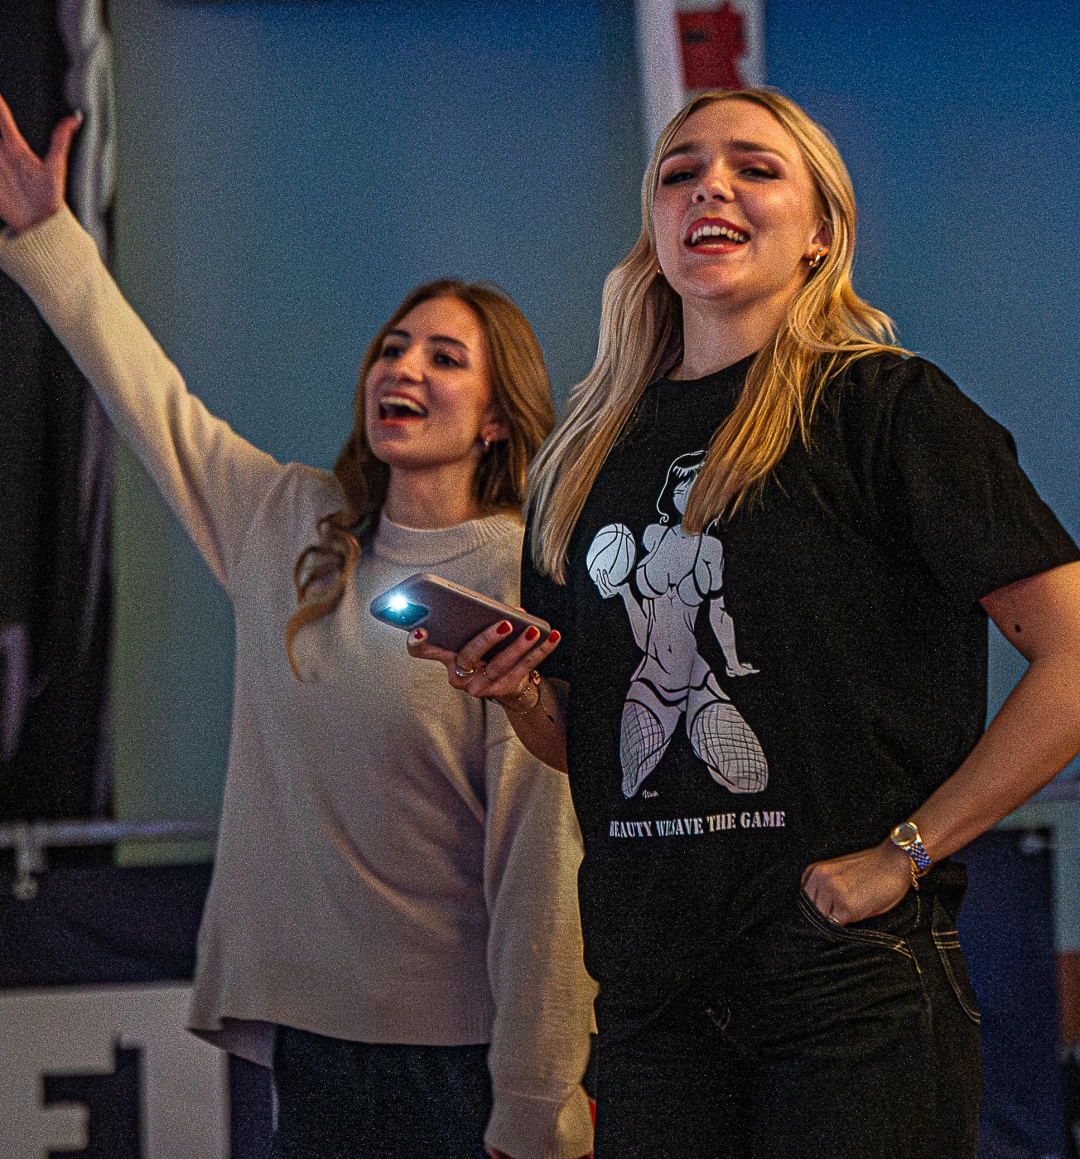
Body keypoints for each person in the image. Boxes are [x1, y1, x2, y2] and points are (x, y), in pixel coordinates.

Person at [413, 87, 1080, 1158]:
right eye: (680, 172)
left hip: (847, 980)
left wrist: (903, 855)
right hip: (653, 997)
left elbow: (1072, 655)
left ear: (821, 232)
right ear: (655, 229)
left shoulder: (887, 409)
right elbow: (583, 743)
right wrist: (523, 691)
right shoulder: (586, 454)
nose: (709, 187)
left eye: (755, 168)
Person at [0, 97, 595, 1159]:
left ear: (499, 416)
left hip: (464, 1062)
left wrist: (536, 1101)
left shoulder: (523, 577)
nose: (402, 369)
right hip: (312, 1049)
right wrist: (51, 238)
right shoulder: (290, 523)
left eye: (445, 359)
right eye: (392, 349)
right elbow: (154, 404)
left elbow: (541, 866)